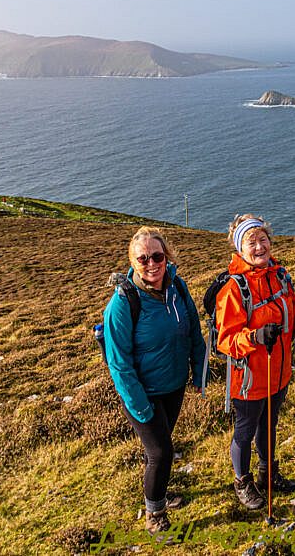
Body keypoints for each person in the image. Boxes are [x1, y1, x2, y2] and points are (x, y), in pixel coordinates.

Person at [216, 214, 295, 510]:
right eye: (251, 242)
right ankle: (243, 482)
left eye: (262, 239)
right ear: (240, 248)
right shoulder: (233, 290)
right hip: (249, 379)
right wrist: (255, 337)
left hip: (278, 373)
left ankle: (268, 474)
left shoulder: (279, 276)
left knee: (269, 425)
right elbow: (226, 340)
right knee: (245, 431)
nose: (259, 246)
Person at [102, 226, 206, 533]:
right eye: (143, 258)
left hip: (174, 384)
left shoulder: (178, 287)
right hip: (142, 393)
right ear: (132, 262)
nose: (151, 263)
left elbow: (194, 332)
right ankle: (155, 515)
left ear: (167, 256)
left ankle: (156, 492)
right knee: (161, 452)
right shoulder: (123, 303)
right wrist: (140, 407)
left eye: (157, 256)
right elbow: (118, 363)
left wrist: (199, 372)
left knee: (157, 451)